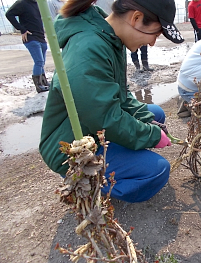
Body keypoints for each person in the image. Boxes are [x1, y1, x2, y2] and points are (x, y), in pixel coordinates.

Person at [39, 0, 184, 203]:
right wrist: (150, 135)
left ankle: (118, 159)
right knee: (156, 172)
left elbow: (121, 96)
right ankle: (85, 184)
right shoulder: (89, 48)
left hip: (90, 128)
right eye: (156, 33)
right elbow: (104, 117)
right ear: (136, 18)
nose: (152, 43)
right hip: (69, 145)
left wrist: (147, 121)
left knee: (154, 114)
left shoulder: (110, 39)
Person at [6, 0, 50, 93]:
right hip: (31, 37)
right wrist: (22, 29)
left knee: (42, 62)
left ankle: (44, 82)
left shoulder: (37, 4)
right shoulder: (22, 2)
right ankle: (39, 85)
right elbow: (9, 14)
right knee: (39, 61)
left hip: (41, 37)